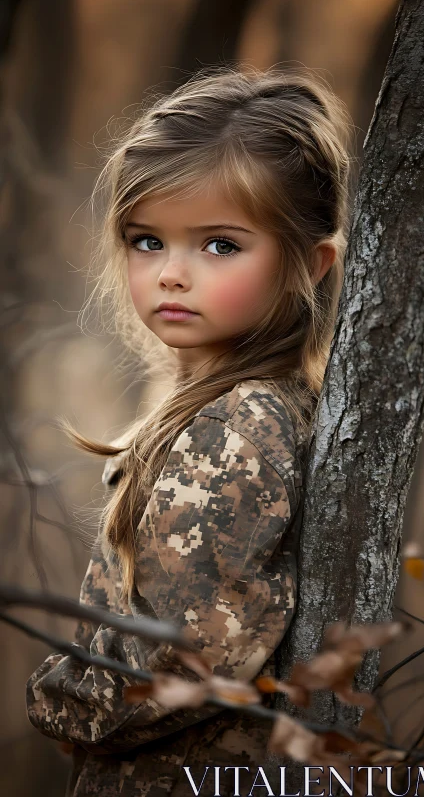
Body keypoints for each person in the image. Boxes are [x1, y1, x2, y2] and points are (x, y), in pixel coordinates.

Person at [26, 66, 352, 796]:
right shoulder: (229, 406)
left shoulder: (238, 424)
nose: (172, 274)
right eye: (148, 241)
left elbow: (187, 656)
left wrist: (56, 699)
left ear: (310, 262)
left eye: (220, 245)